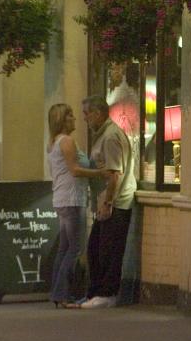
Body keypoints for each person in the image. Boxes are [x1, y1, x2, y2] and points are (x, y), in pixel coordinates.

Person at [80, 95, 137, 309]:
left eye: (87, 114)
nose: (85, 119)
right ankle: (95, 292)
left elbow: (115, 174)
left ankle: (107, 294)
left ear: (97, 113)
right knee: (96, 247)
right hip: (105, 200)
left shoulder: (111, 136)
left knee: (108, 249)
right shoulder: (103, 135)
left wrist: (108, 202)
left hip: (116, 202)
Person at [47, 103, 104, 308]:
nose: (75, 119)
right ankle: (62, 295)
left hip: (62, 199)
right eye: (70, 116)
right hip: (72, 200)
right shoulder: (67, 141)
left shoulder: (53, 142)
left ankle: (56, 292)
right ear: (62, 120)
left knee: (64, 248)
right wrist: (100, 173)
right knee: (76, 248)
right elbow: (75, 170)